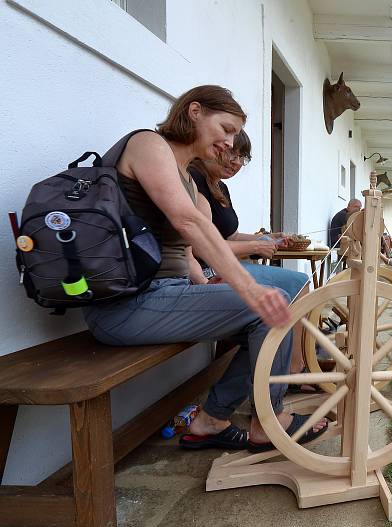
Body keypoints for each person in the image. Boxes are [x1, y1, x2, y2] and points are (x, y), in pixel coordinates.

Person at [82, 85, 327, 452]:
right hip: (123, 308)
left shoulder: (183, 172)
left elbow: (200, 237)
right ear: (194, 111)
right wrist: (248, 287)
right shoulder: (148, 145)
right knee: (271, 306)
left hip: (164, 296)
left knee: (272, 310)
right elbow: (189, 224)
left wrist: (214, 282)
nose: (230, 143)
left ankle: (213, 419)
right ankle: (268, 422)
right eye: (226, 129)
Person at [187, 129, 311, 388]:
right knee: (299, 284)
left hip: (225, 263)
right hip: (208, 272)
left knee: (298, 283)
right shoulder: (195, 180)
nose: (236, 162)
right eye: (232, 152)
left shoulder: (219, 186)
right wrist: (255, 245)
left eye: (242, 157)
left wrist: (269, 239)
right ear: (215, 147)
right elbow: (202, 248)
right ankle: (294, 368)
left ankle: (292, 365)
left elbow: (230, 235)